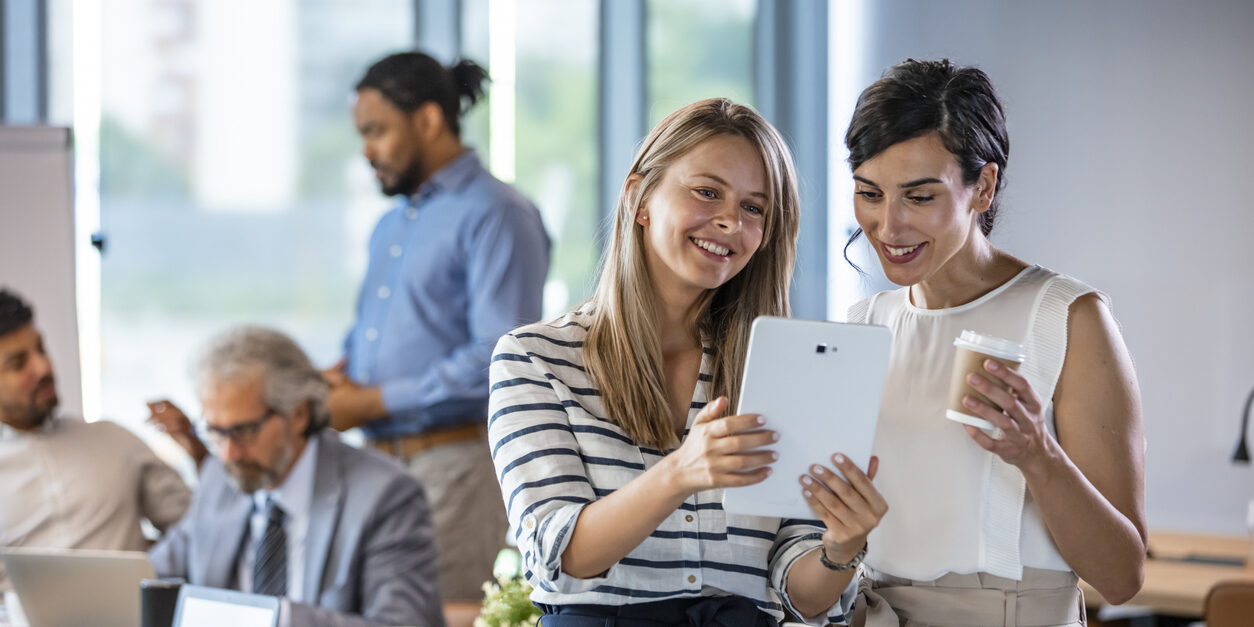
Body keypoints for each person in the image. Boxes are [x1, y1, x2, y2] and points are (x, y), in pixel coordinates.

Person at [488, 98, 888, 626]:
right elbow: (560, 556)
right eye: (707, 192)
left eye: (754, 208)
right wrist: (681, 471)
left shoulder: (783, 370)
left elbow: (803, 596)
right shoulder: (536, 359)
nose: (729, 220)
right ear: (640, 197)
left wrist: (842, 546)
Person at [842, 59, 1146, 625]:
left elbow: (1122, 575)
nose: (888, 227)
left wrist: (1037, 453)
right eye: (870, 193)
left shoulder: (1066, 318)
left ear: (982, 186)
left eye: (920, 196)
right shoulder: (862, 325)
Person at [324, 50, 550, 601]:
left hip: (452, 466)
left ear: (427, 120)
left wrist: (372, 401)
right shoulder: (391, 224)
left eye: (376, 131)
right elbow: (373, 336)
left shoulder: (497, 213)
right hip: (378, 465)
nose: (367, 150)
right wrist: (334, 381)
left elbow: (501, 359)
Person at [148, 326, 444, 627]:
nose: (228, 453)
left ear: (299, 414)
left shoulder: (385, 493)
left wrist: (275, 618)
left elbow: (404, 624)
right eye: (215, 431)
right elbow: (151, 577)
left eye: (244, 431)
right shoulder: (219, 478)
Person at [0, 288, 190, 592]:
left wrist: (200, 454)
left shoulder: (114, 441)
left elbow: (200, 530)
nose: (44, 367)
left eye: (41, 349)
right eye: (18, 363)